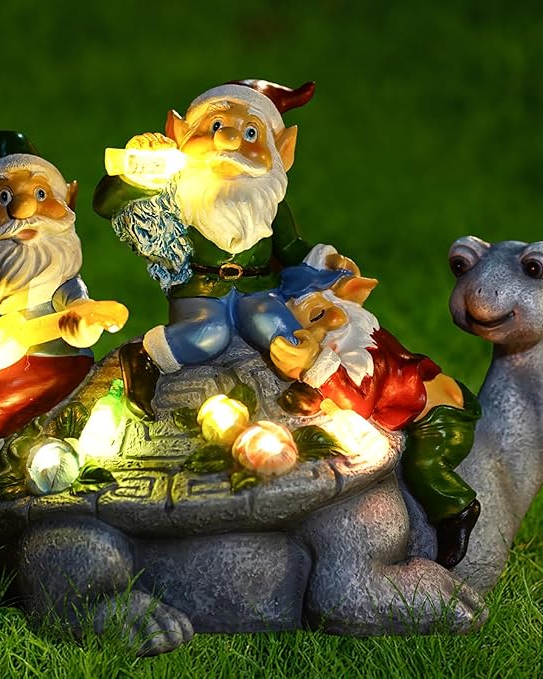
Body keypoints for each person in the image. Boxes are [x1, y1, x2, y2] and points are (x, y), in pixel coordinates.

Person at [94, 80, 353, 419]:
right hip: (202, 288)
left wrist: (323, 262)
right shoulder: (180, 197)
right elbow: (106, 204)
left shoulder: (268, 204)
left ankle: (310, 381)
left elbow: (290, 246)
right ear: (180, 134)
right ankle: (145, 358)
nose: (228, 140)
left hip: (258, 288)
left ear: (282, 151)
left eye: (250, 133)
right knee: (207, 334)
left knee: (276, 327)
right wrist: (135, 176)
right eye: (216, 126)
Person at [0, 124, 127, 483]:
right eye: (4, 198)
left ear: (68, 201)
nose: (23, 210)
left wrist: (81, 322)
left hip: (58, 360)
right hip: (14, 350)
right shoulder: (1, 272)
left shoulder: (63, 281)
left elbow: (82, 310)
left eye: (40, 194)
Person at [271, 256, 481, 569]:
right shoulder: (353, 341)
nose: (311, 331)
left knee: (423, 466)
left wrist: (314, 364)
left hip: (440, 418)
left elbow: (358, 403)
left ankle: (458, 509)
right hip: (422, 397)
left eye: (316, 316)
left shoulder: (362, 352)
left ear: (339, 312)